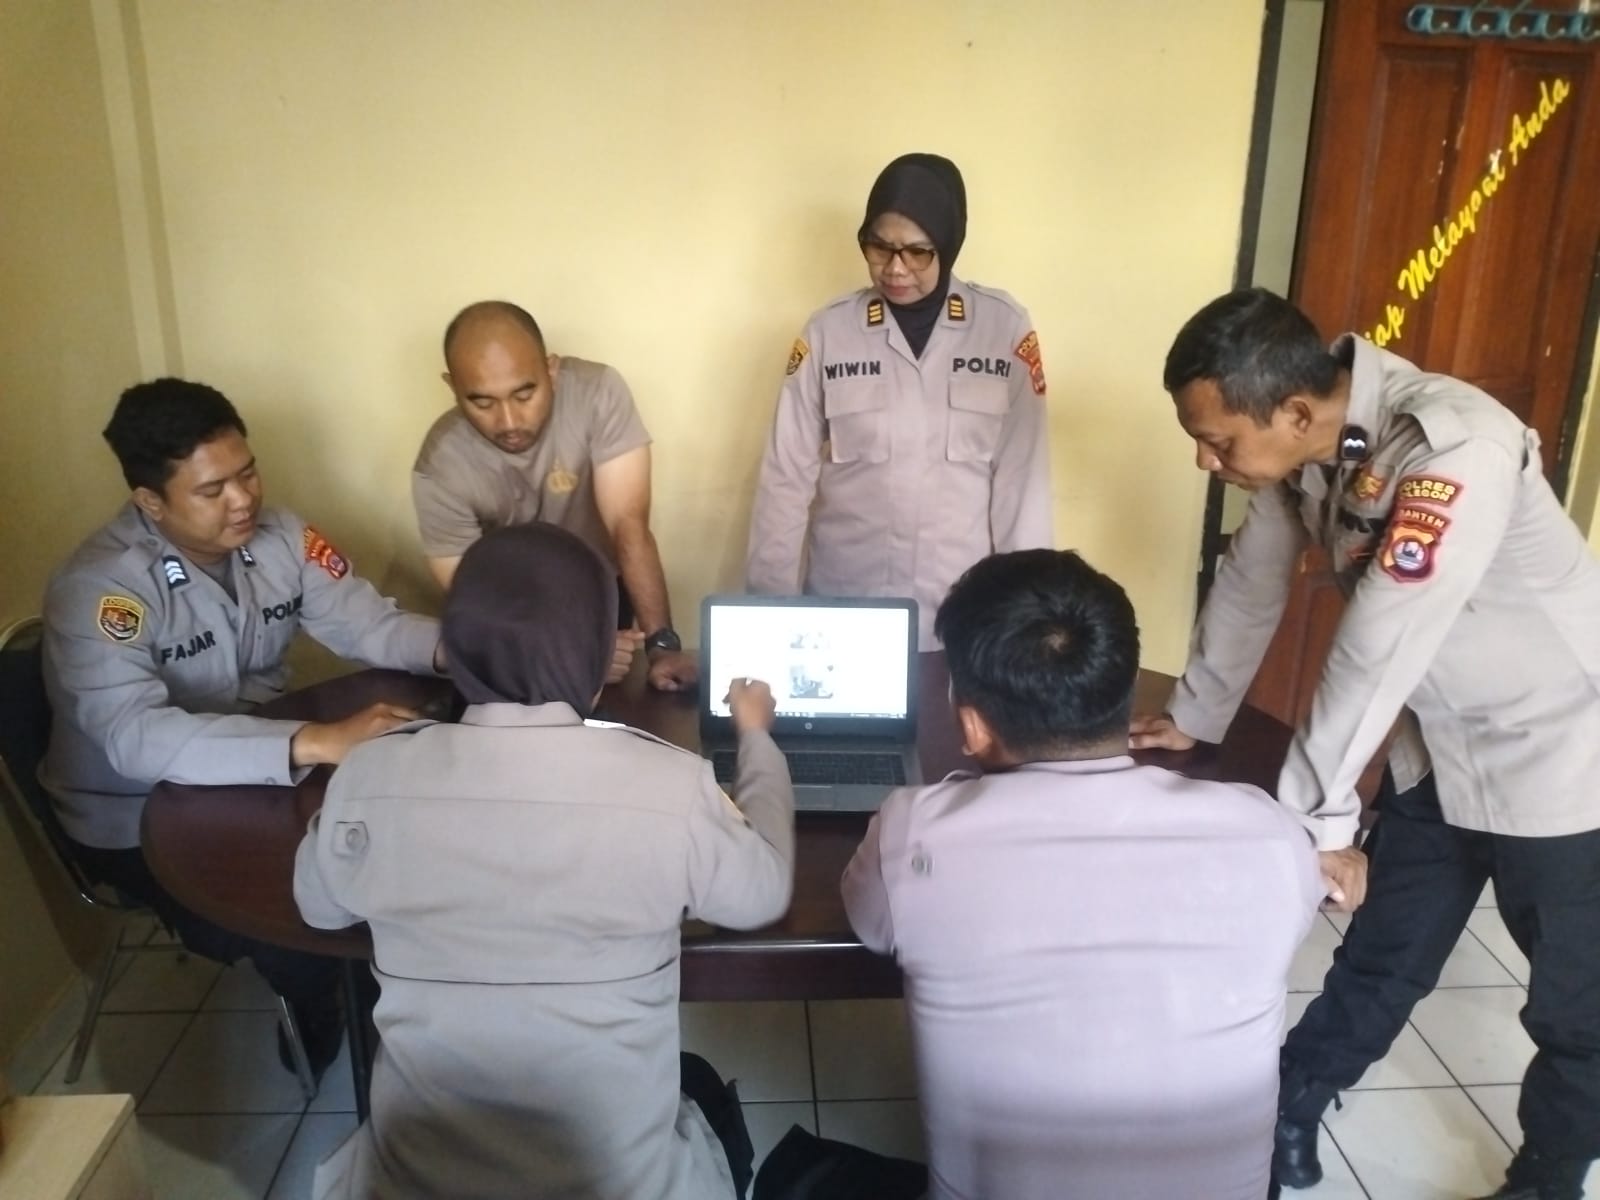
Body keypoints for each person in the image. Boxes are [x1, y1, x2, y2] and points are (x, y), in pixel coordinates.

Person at [1132, 288, 1600, 1200]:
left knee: (1576, 1003)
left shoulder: (1452, 448)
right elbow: (1251, 580)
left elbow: (1376, 646)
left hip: (1560, 755)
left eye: (1217, 441)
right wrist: (1197, 714)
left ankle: (1546, 1178)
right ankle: (1288, 1107)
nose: (1204, 460)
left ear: (1294, 411)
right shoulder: (1309, 453)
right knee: (1385, 951)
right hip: (1441, 742)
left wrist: (1318, 824)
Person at [293, 523, 796, 1200]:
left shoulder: (371, 773)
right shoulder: (668, 786)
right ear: (596, 655)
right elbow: (762, 891)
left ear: (458, 648)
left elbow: (318, 907)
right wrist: (756, 739)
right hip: (619, 1187)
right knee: (697, 1085)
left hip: (415, 1185)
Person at [842, 548, 1322, 1199]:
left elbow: (870, 926)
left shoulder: (913, 833)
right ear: (1122, 693)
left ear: (972, 725)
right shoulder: (1268, 833)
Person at [40, 378, 444, 1076]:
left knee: (390, 844)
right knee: (303, 918)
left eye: (248, 472)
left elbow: (368, 624)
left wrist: (465, 648)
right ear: (150, 502)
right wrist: (314, 740)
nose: (243, 499)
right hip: (137, 815)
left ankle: (405, 1014)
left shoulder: (281, 537)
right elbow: (135, 738)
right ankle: (322, 1004)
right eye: (212, 489)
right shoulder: (102, 589)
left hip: (253, 775)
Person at [745, 153, 1053, 649]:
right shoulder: (829, 331)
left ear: (948, 244)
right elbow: (785, 481)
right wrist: (768, 619)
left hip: (962, 617)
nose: (895, 268)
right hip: (846, 611)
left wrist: (1026, 623)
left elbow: (1024, 486)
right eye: (879, 247)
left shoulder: (1002, 328)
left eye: (917, 252)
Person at [412, 299, 697, 690]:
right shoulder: (439, 466)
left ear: (551, 370)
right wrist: (570, 652)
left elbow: (627, 526)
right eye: (482, 402)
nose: (508, 421)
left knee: (610, 711)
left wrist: (661, 646)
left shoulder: (597, 393)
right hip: (510, 610)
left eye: (524, 394)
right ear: (452, 387)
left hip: (600, 589)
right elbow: (474, 600)